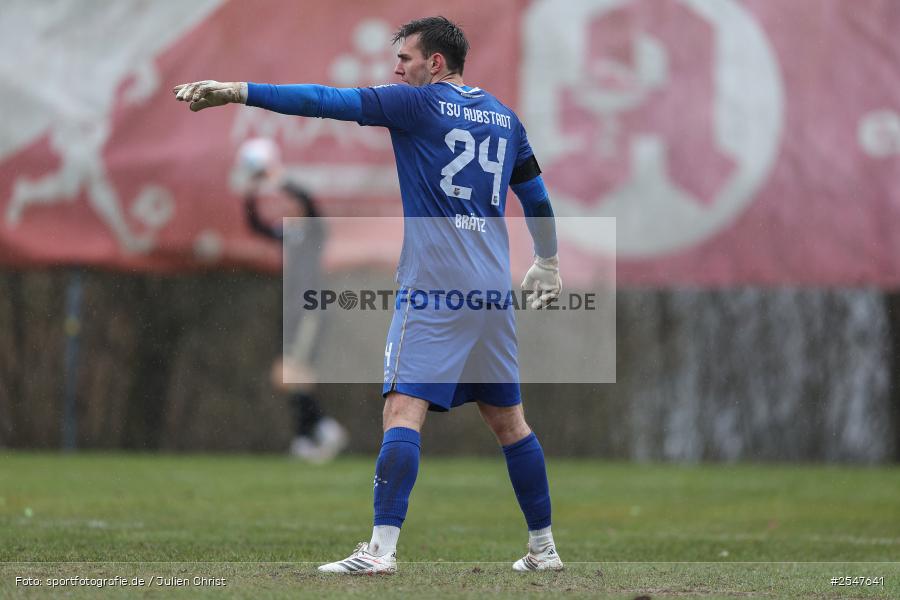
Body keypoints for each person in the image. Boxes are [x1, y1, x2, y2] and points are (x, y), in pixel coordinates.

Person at [174, 16, 563, 573]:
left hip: (434, 286)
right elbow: (538, 198)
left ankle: (380, 551)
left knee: (403, 410)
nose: (396, 68)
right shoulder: (505, 118)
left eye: (405, 58)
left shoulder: (417, 103)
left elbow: (322, 100)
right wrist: (547, 261)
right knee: (510, 424)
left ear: (435, 64)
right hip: (490, 292)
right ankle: (544, 549)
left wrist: (237, 91)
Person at [236, 137, 348, 463]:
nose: (289, 207)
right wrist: (249, 194)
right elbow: (256, 226)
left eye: (293, 204)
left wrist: (277, 177)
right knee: (290, 375)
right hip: (294, 309)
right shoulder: (291, 232)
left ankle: (323, 430)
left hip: (312, 308)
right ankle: (305, 438)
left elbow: (308, 201)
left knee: (292, 373)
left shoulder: (314, 230)